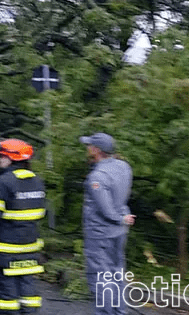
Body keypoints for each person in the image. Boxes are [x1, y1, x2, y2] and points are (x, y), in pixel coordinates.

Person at [0, 138, 46, 315]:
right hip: (30, 246)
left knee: (7, 294)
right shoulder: (37, 181)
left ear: (12, 158)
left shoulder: (2, 182)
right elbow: (40, 213)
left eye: (1, 155)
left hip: (5, 248)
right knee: (28, 288)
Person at [79, 132, 135, 315]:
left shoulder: (97, 177)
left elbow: (106, 209)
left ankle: (105, 312)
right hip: (119, 232)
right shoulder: (124, 167)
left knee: (100, 277)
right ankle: (120, 311)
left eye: (89, 147)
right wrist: (123, 218)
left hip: (100, 233)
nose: (87, 149)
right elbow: (122, 197)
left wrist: (119, 218)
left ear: (96, 150)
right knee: (117, 273)